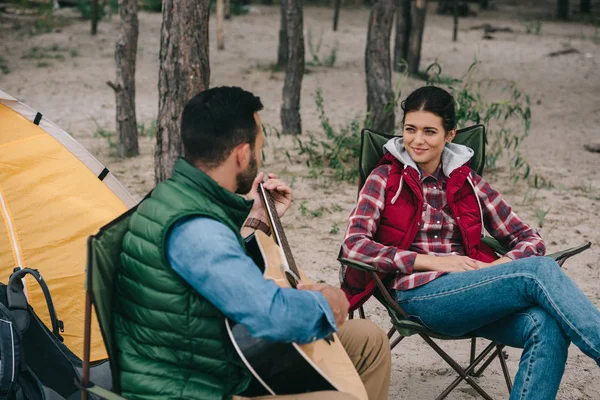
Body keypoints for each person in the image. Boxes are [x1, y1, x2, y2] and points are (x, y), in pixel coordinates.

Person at [112, 86, 391, 400]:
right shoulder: (197, 229)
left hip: (217, 356)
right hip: (191, 387)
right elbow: (269, 315)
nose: (259, 158)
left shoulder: (179, 197)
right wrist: (329, 303)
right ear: (242, 154)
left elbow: (222, 270)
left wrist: (258, 217)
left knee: (369, 340)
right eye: (259, 149)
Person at [341, 86, 600, 400]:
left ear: (450, 135)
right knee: (537, 272)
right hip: (418, 296)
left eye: (429, 131)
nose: (417, 140)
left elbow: (529, 238)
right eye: (410, 129)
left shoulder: (469, 183)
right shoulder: (384, 178)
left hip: (476, 292)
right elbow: (354, 246)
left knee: (546, 325)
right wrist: (435, 262)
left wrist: (502, 268)